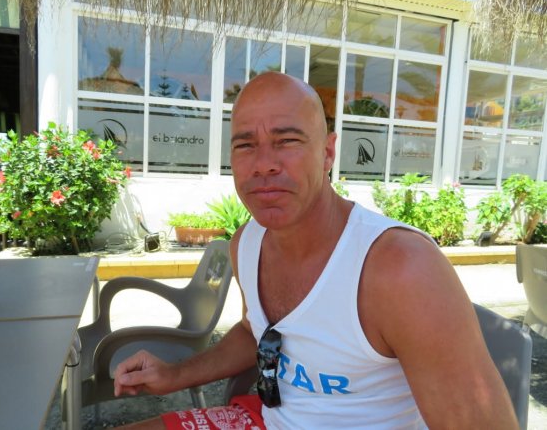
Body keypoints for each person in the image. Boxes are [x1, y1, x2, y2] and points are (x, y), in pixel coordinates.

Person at [113, 72, 518, 429]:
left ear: (327, 152)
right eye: (245, 145)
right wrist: (173, 375)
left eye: (287, 140)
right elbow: (254, 333)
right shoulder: (247, 243)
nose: (263, 164)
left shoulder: (400, 268)